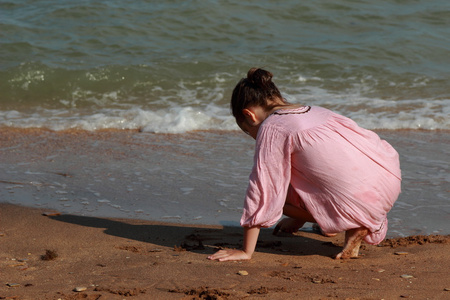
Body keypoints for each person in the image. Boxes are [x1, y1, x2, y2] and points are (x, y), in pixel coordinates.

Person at [208, 68, 401, 261]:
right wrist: (297, 219)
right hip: (386, 182)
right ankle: (334, 220)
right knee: (298, 169)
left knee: (277, 197)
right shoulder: (316, 111)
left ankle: (350, 223)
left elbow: (263, 189)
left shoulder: (272, 127)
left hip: (356, 201)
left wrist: (245, 251)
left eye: (249, 132)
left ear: (249, 115)